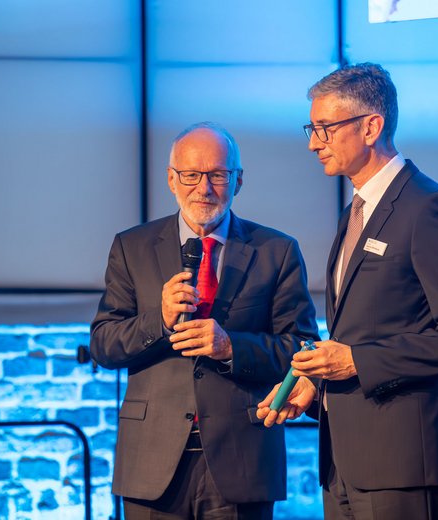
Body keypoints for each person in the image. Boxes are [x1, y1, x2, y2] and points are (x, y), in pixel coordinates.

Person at [257, 63, 438, 520]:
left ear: (370, 127)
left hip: (402, 462)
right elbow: (363, 328)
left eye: (324, 129)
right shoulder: (354, 211)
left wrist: (355, 362)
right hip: (343, 461)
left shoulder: (428, 208)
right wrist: (317, 383)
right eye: (311, 129)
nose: (313, 143)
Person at [90, 122, 319, 520]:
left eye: (217, 175)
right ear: (171, 179)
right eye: (191, 175)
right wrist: (159, 321)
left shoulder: (276, 250)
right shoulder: (132, 247)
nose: (204, 188)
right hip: (151, 460)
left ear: (238, 180)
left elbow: (300, 348)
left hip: (242, 458)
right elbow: (103, 345)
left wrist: (231, 347)